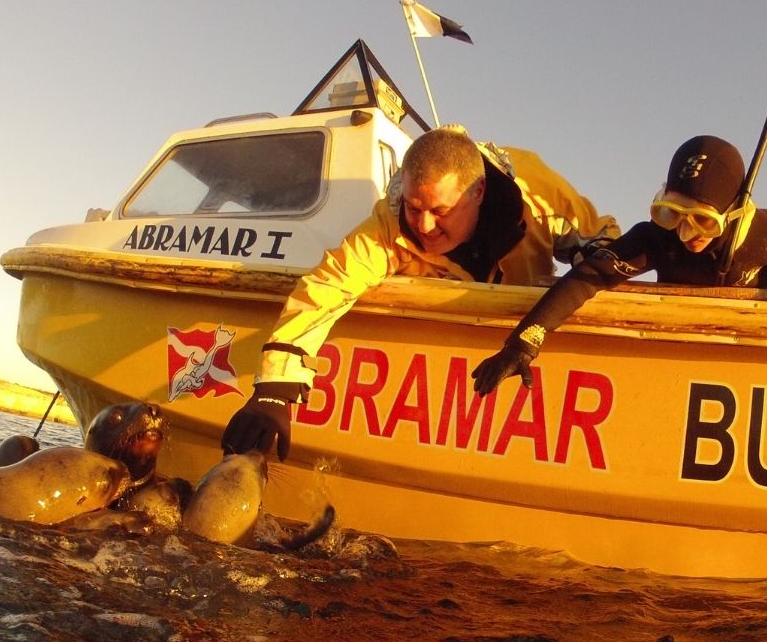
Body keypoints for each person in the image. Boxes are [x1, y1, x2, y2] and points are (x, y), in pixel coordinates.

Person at [221, 126, 618, 458]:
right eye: (414, 207)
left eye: (440, 212)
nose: (424, 226)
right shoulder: (388, 224)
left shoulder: (541, 195)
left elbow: (607, 249)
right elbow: (330, 284)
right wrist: (275, 386)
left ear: (478, 192)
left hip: (521, 358)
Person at [471, 135, 767, 396]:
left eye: (703, 221)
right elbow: (587, 278)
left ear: (735, 211)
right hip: (673, 365)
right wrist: (522, 344)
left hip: (740, 373)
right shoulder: (657, 239)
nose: (685, 233)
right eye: (672, 214)